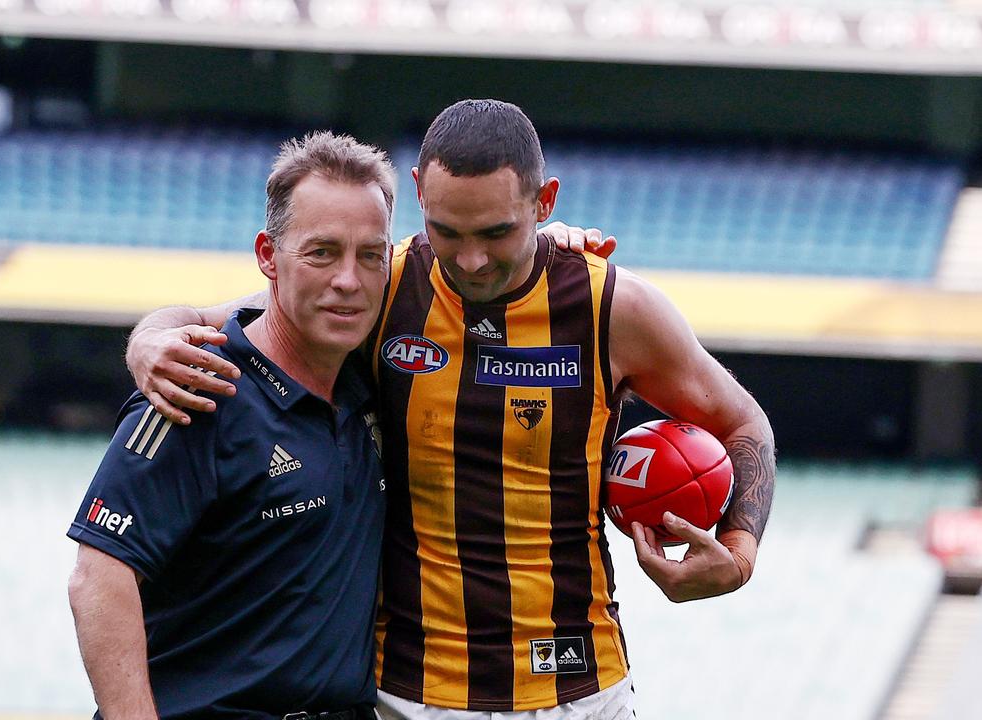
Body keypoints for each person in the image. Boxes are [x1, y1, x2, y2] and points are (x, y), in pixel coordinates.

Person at [127, 100, 776, 718]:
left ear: (544, 202)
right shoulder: (383, 287)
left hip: (580, 688)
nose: (470, 259)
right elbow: (215, 321)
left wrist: (739, 553)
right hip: (404, 695)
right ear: (417, 194)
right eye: (447, 230)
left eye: (498, 232)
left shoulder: (613, 308)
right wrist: (150, 339)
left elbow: (743, 422)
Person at [66, 131, 396, 720]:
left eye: (370, 254)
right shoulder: (199, 387)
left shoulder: (371, 378)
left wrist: (554, 240)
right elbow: (99, 578)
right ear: (269, 256)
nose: (349, 278)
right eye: (321, 252)